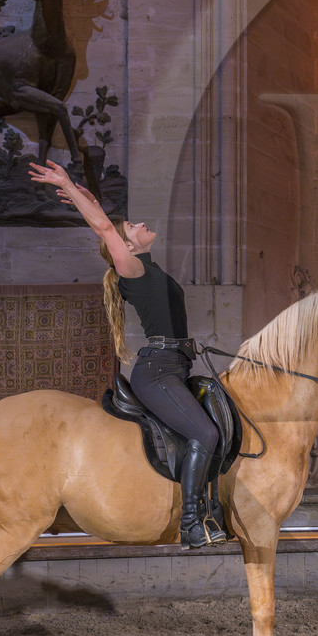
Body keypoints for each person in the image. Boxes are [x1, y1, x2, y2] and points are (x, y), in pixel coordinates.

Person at [27, 159, 226, 548]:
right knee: (205, 431)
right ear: (128, 247)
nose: (138, 224)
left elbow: (104, 217)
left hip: (176, 365)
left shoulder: (152, 272)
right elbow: (103, 226)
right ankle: (191, 524)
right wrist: (65, 183)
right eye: (130, 228)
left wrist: (79, 191)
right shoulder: (131, 269)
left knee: (212, 424)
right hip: (157, 373)